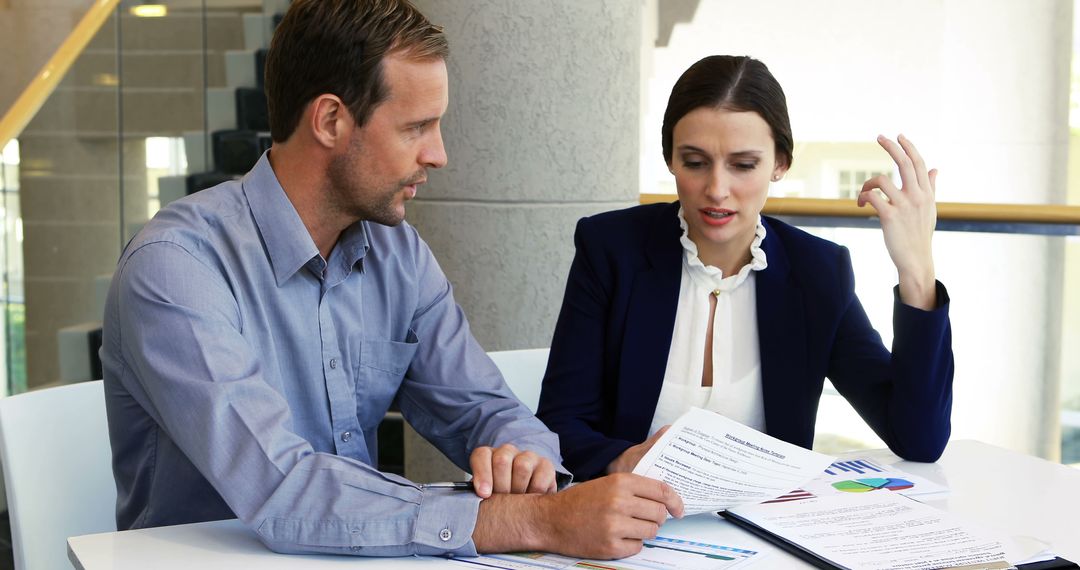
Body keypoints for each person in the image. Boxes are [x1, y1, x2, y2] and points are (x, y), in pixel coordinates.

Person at [101, 0, 682, 560]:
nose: (439, 154)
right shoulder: (177, 267)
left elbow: (485, 408)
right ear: (330, 120)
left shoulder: (396, 254)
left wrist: (525, 459)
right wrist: (535, 519)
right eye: (417, 127)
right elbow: (282, 489)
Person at [536, 55, 953, 481]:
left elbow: (919, 438)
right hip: (633, 516)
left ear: (780, 164)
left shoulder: (817, 272)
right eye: (695, 162)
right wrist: (622, 461)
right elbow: (559, 424)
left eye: (743, 165)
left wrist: (916, 270)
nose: (717, 189)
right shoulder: (611, 250)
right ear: (670, 159)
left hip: (764, 519)